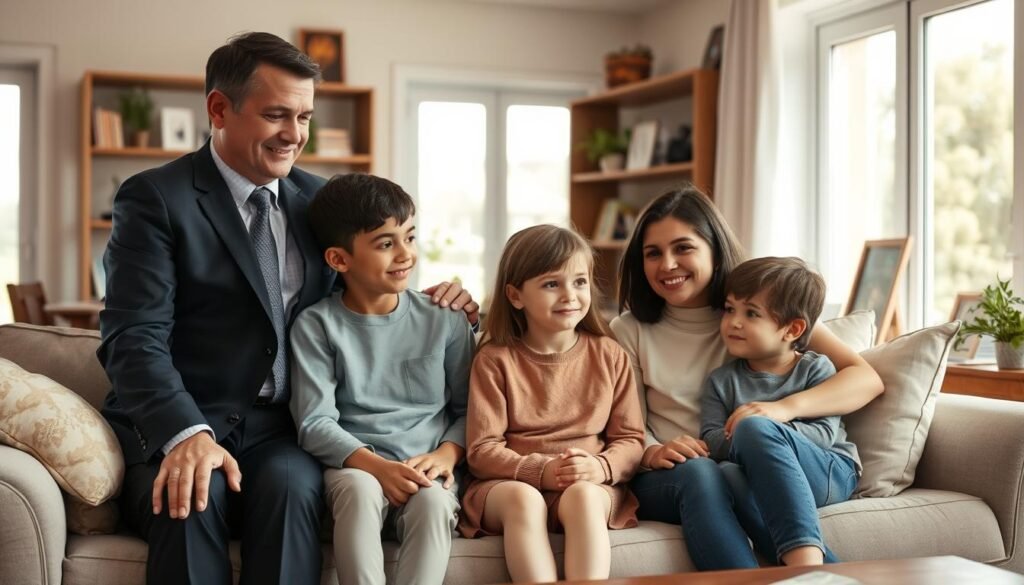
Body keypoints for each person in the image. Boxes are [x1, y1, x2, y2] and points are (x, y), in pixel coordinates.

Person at [97, 32, 476, 585]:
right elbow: (132, 337)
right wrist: (186, 434)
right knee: (191, 498)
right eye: (277, 115)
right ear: (219, 109)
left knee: (295, 491)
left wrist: (446, 302)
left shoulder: (318, 202)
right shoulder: (156, 198)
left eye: (304, 117)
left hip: (282, 432)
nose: (294, 135)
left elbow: (363, 296)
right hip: (186, 419)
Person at [609, 186, 883, 571]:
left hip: (756, 460)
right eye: (653, 253)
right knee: (707, 473)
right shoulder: (628, 330)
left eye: (683, 248)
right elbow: (627, 424)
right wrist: (654, 450)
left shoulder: (767, 308)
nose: (667, 264)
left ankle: (817, 575)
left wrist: (782, 409)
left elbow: (865, 379)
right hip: (674, 472)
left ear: (714, 250)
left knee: (732, 467)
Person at [289, 173, 474, 585]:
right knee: (359, 490)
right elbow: (314, 423)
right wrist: (377, 467)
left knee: (433, 503)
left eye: (409, 237)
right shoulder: (316, 326)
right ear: (339, 260)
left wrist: (446, 455)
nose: (405, 253)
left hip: (426, 467)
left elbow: (469, 410)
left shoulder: (445, 319)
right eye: (386, 243)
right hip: (356, 466)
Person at [458, 225, 645, 583]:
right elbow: (482, 450)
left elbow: (631, 440)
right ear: (515, 296)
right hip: (508, 483)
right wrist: (540, 471)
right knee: (523, 500)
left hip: (588, 483)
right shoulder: (495, 359)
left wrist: (600, 467)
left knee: (584, 499)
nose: (570, 295)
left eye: (579, 281)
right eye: (551, 284)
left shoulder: (610, 354)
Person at [699, 256, 861, 566]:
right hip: (758, 474)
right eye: (730, 309)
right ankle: (829, 573)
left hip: (829, 472)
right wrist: (750, 439)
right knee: (726, 473)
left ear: (792, 329)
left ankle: (806, 570)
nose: (734, 321)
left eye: (751, 313)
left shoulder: (815, 368)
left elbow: (825, 436)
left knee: (754, 427)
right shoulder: (722, 381)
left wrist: (763, 430)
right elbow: (710, 439)